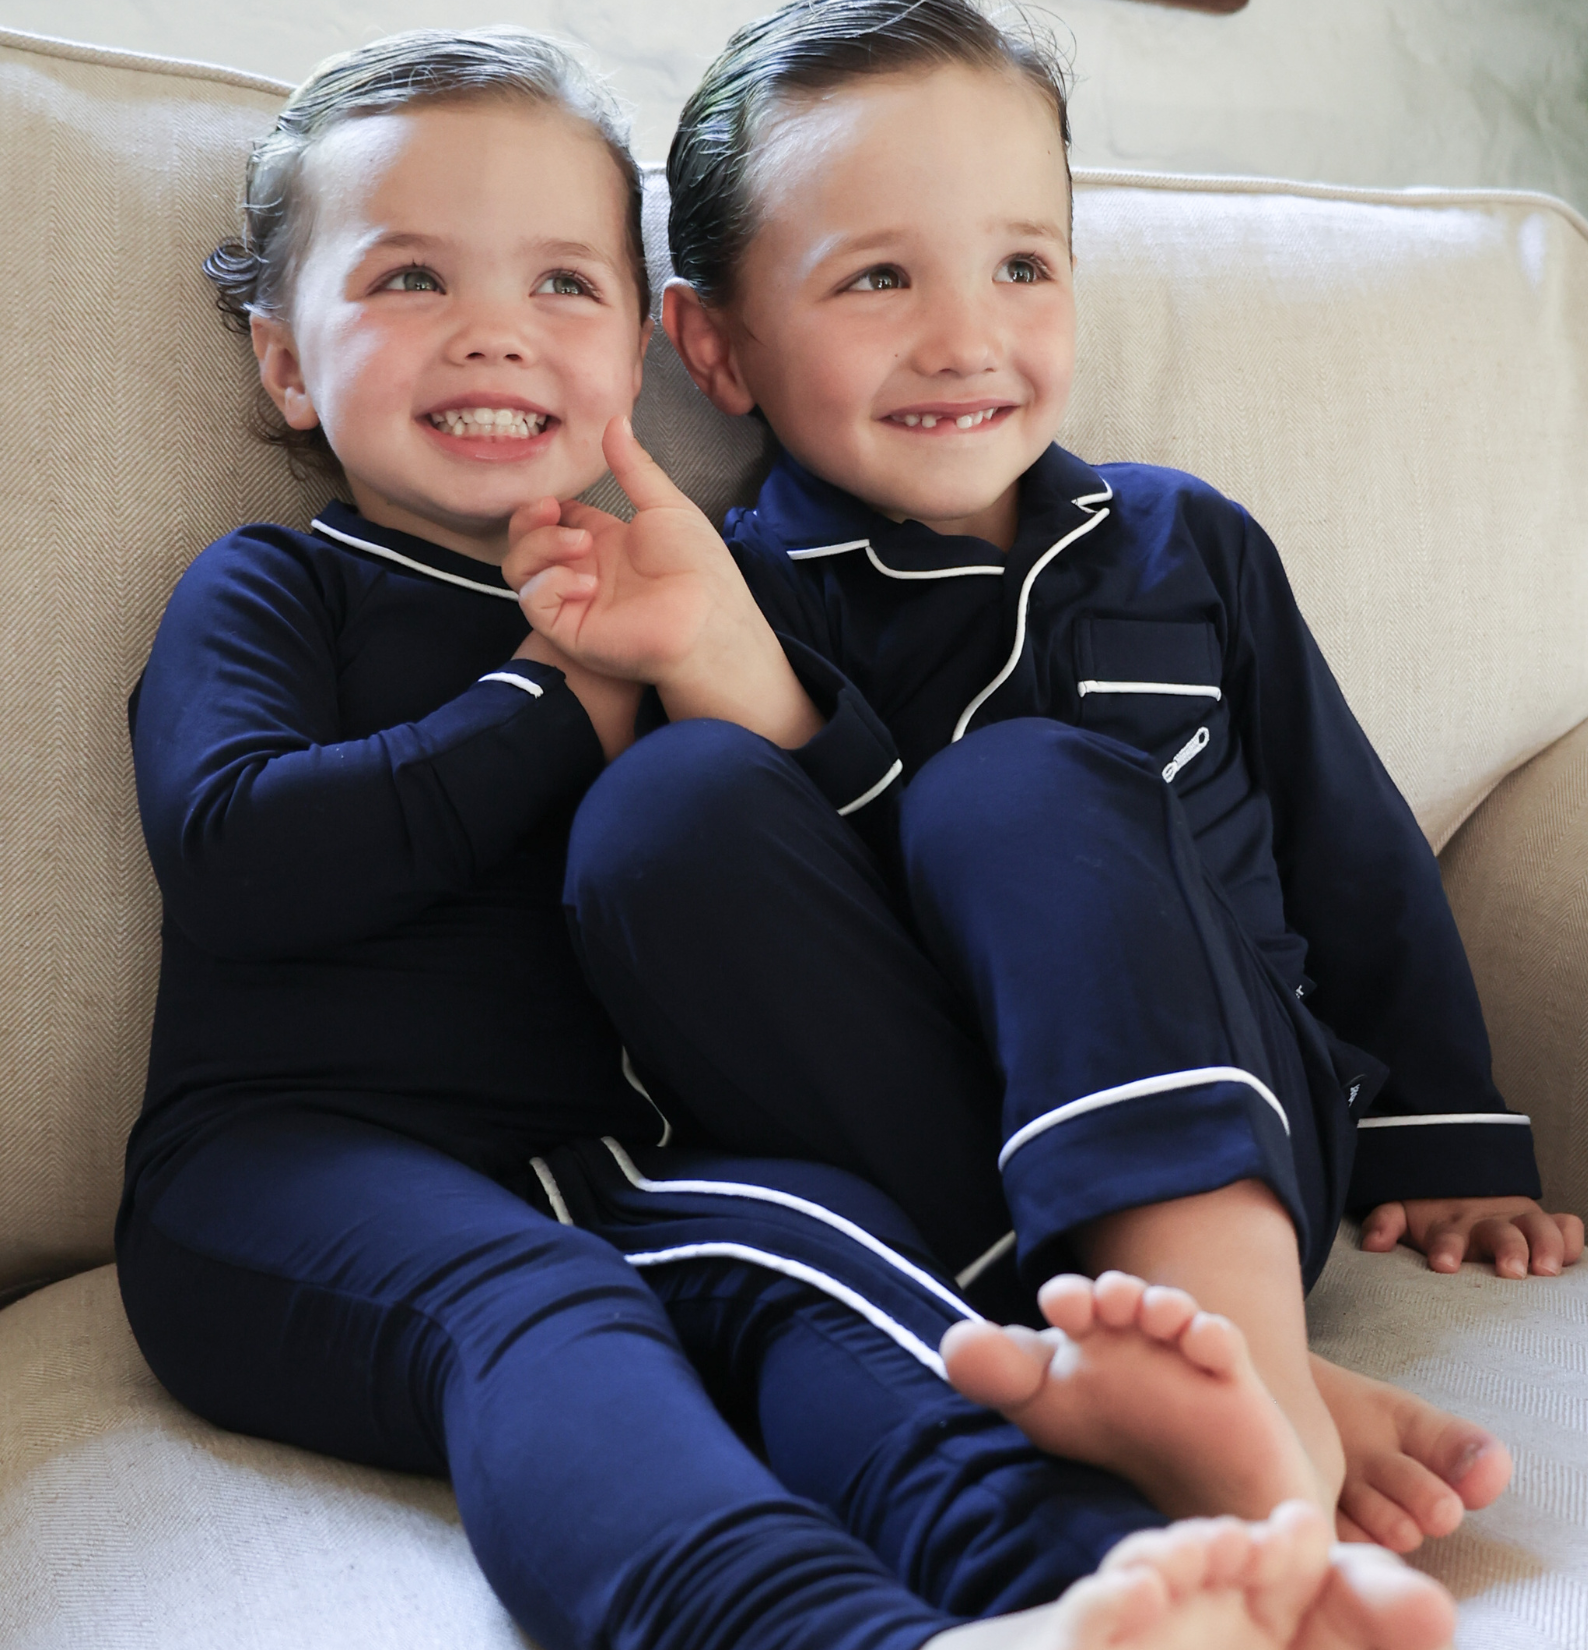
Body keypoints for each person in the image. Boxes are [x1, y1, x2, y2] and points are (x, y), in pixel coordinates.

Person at [115, 24, 1456, 1650]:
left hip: (607, 1171)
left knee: (841, 1267)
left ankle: (1104, 1589)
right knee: (541, 1312)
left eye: (561, 284)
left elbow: (812, 913)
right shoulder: (277, 586)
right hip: (284, 1167)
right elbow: (240, 852)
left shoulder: (684, 599)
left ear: (638, 354)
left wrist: (693, 661)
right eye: (410, 279)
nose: (494, 330)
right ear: (283, 363)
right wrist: (553, 697)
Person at [503, 0, 1586, 1569]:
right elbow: (776, 954)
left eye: (1021, 265)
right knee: (657, 814)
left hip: (1218, 1109)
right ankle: (1200, 1385)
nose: (965, 338)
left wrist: (1450, 1138)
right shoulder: (724, 597)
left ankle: (1234, 1368)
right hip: (906, 1149)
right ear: (716, 347)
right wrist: (728, 680)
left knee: (1017, 791)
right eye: (879, 277)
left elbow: (1347, 845)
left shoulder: (1182, 543)